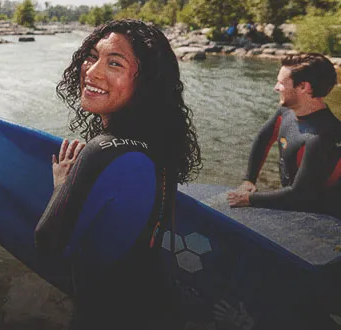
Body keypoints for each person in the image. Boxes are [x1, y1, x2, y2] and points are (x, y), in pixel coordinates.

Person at [34, 19, 202, 329]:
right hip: (155, 306)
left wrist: (61, 185)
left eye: (114, 63)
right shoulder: (159, 143)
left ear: (145, 83)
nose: (92, 71)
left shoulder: (104, 151)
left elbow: (48, 242)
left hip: (106, 315)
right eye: (92, 56)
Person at [228, 53, 341, 218]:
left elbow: (300, 194)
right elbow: (262, 139)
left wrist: (249, 198)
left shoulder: (322, 135)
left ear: (304, 87)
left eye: (281, 83)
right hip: (295, 202)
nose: (275, 87)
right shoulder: (287, 111)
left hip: (324, 218)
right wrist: (249, 180)